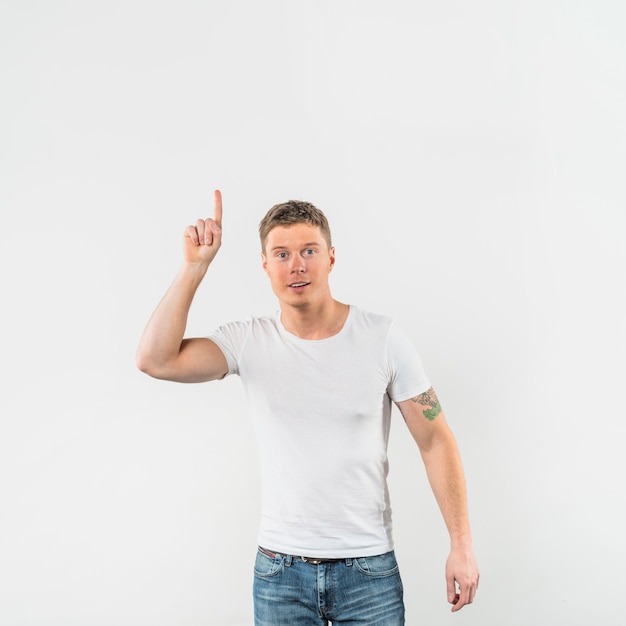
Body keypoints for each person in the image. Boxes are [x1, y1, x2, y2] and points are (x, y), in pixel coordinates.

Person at [136, 190, 479, 625]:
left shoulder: (383, 338)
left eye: (308, 251)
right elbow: (155, 360)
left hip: (368, 571)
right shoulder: (249, 340)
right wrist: (194, 267)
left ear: (331, 258)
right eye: (281, 254)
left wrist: (461, 545)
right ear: (265, 265)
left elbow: (435, 439)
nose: (296, 265)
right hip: (280, 574)